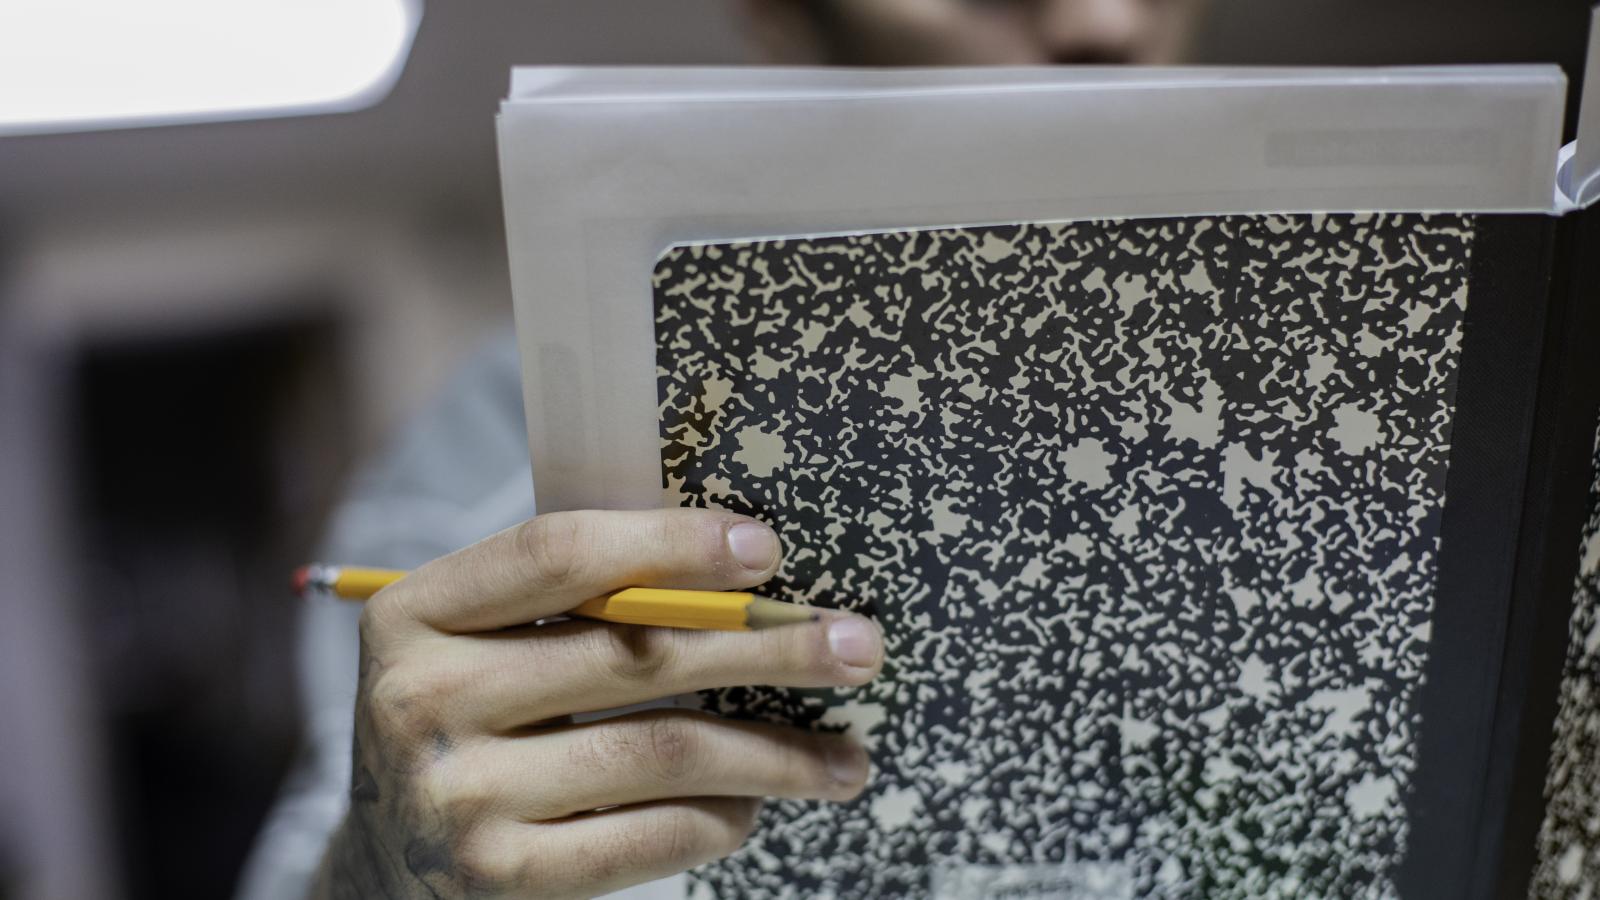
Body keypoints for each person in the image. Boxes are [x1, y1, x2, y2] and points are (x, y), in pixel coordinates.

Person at [236, 1, 1207, 897]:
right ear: (780, 18)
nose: (1107, 21)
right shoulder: (506, 443)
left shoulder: (1311, 366)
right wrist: (383, 871)